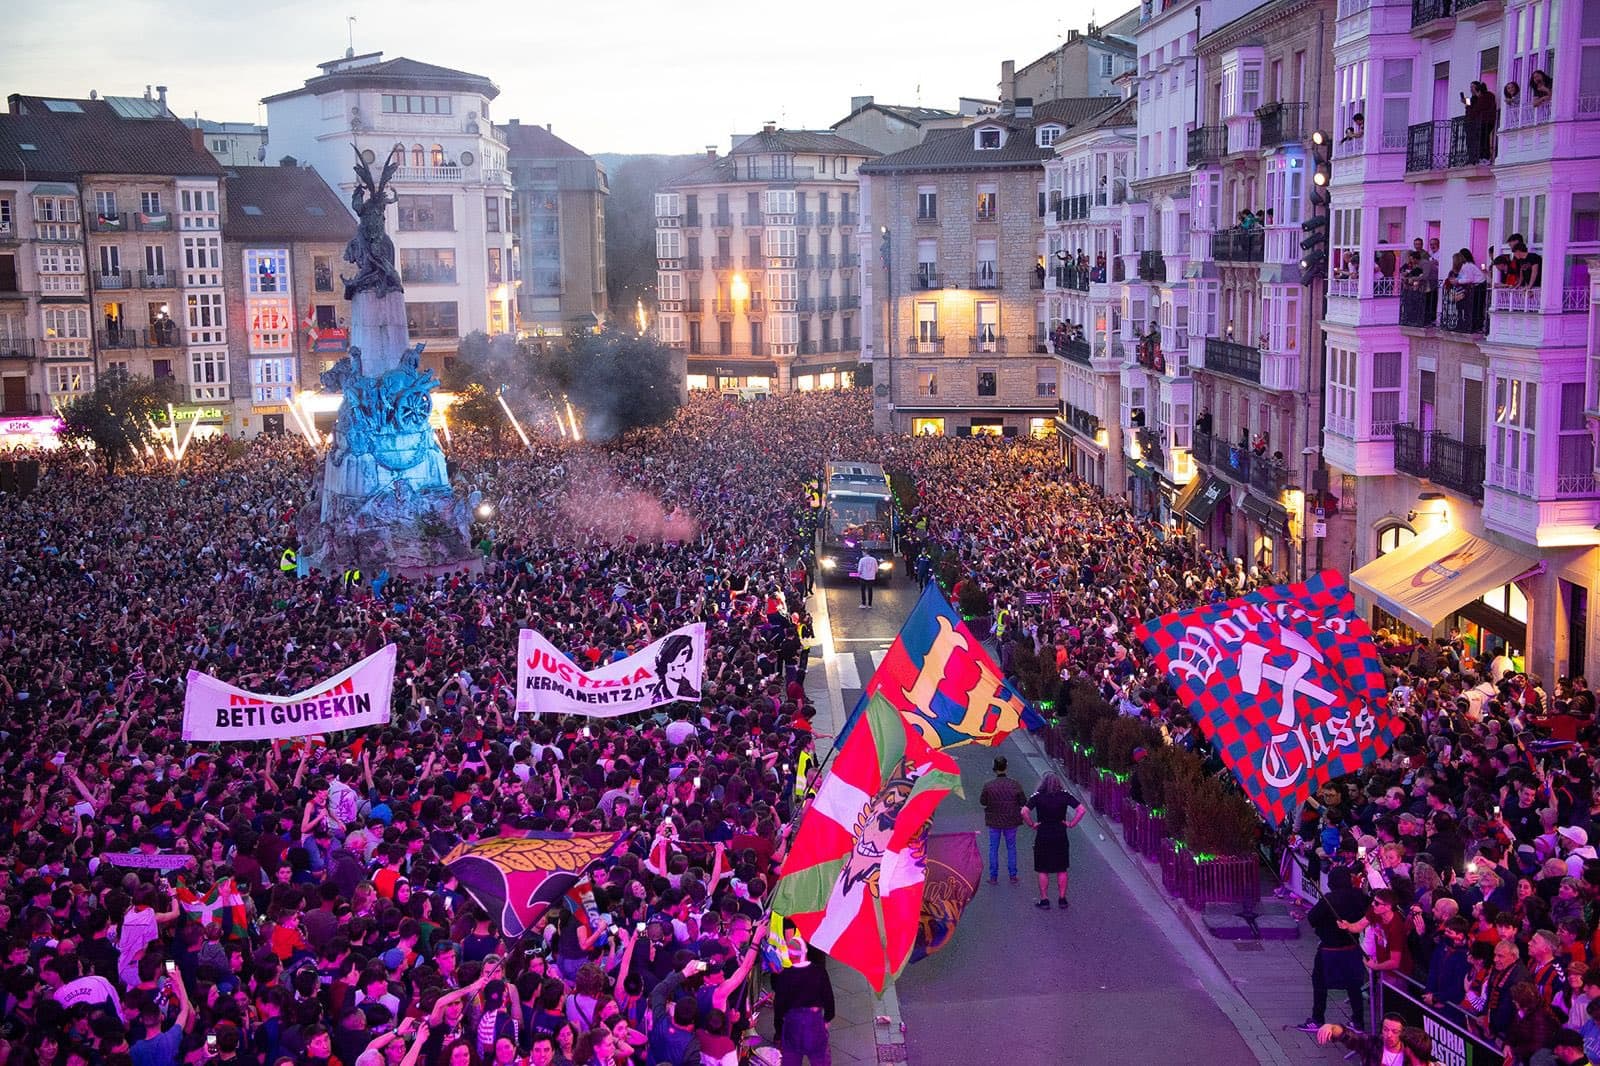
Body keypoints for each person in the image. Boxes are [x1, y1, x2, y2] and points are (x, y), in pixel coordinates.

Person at [1301, 866, 1372, 1031]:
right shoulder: (1359, 897)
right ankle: (1358, 1021)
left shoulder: (1329, 899)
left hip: (1330, 949)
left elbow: (1312, 918)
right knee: (1353, 985)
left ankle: (1317, 1018)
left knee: (1319, 982)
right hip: (1352, 947)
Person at [1022, 772, 1085, 909]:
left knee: (1042, 869)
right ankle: (1062, 899)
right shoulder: (1064, 795)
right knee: (1061, 868)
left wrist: (1032, 824)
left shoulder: (1038, 796)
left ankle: (1044, 899)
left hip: (1043, 834)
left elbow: (1024, 812)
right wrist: (1071, 823)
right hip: (1060, 834)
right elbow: (1081, 810)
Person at [772, 935, 834, 1066]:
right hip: (815, 1022)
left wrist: (780, 1024)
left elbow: (779, 1007)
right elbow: (829, 999)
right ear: (805, 951)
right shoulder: (819, 972)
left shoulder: (785, 976)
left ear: (789, 956)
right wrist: (827, 1019)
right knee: (820, 1059)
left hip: (793, 1024)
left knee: (791, 1059)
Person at [979, 756, 1026, 885]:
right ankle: (1013, 875)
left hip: (994, 820)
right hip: (1011, 820)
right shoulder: (1015, 784)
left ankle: (993, 876)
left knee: (993, 848)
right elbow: (1023, 801)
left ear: (994, 768)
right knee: (1011, 847)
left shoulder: (989, 785)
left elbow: (983, 802)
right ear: (1006, 766)